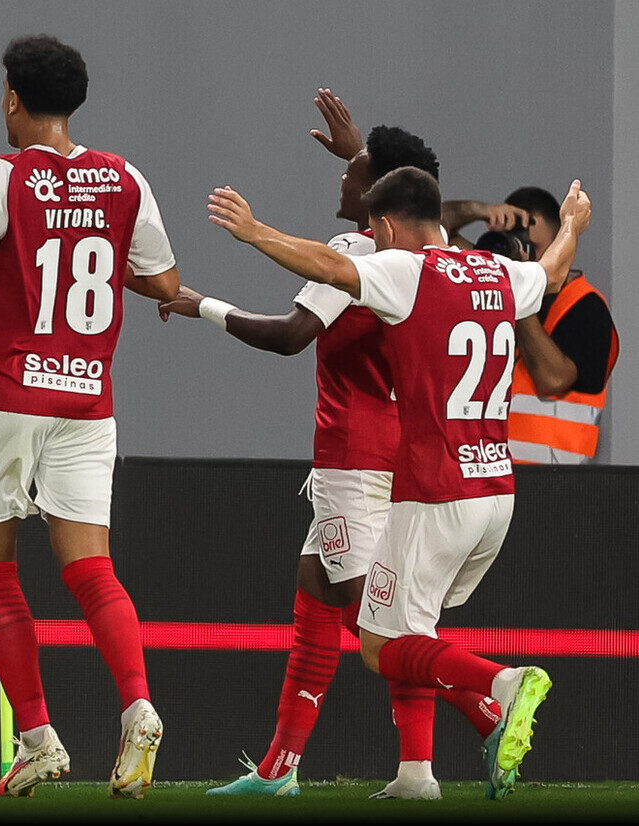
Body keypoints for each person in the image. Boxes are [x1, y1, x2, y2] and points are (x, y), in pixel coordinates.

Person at [208, 166, 591, 801]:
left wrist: (254, 233)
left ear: (386, 227)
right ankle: (415, 776)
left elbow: (328, 269)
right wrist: (573, 222)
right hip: (497, 492)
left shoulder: (409, 270)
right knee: (397, 622)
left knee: (384, 644)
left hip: (434, 492)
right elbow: (551, 273)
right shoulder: (496, 273)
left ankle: (500, 687)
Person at [161, 91, 502, 800]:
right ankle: (290, 771)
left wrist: (204, 307)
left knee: (380, 630)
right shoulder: (444, 261)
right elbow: (405, 202)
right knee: (316, 596)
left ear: (380, 203)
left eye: (354, 178)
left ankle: (483, 696)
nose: (343, 185)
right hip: (395, 457)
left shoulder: (355, 254)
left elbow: (290, 336)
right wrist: (358, 151)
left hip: (355, 460)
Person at [0, 34, 178, 799]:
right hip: (86, 399)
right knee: (91, 569)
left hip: (3, 397)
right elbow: (162, 279)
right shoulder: (124, 177)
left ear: (13, 100)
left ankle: (39, 738)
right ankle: (138, 705)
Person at [442, 187, 619, 464]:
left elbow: (553, 379)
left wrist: (518, 290)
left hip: (558, 485)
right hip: (490, 471)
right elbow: (436, 229)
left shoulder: (585, 305)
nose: (523, 250)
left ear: (560, 239)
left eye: (529, 242)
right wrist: (480, 209)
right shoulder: (497, 279)